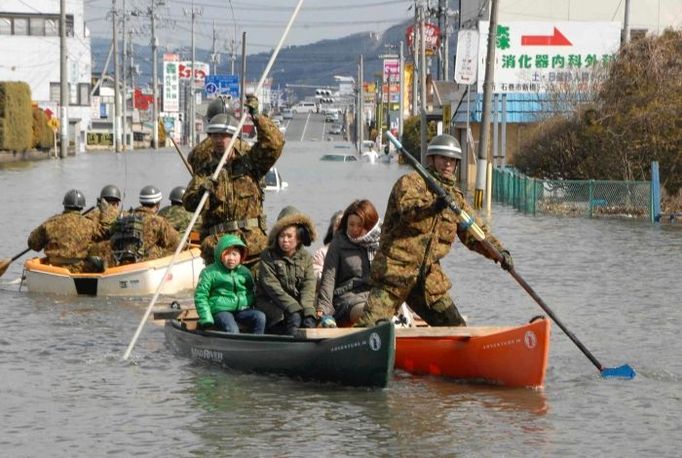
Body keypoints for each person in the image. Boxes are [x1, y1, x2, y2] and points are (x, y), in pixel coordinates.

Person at [355, 134, 514, 327]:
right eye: (443, 159)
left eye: (452, 160)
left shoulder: (457, 200)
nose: (448, 164)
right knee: (369, 326)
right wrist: (436, 205)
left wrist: (499, 253)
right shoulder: (411, 183)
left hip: (428, 278)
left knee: (456, 328)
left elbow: (475, 232)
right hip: (395, 272)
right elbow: (409, 211)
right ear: (431, 160)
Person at [183, 95, 285, 267]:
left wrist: (257, 117)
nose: (218, 140)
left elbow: (275, 144)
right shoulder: (206, 168)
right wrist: (203, 190)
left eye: (223, 136)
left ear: (234, 136)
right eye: (214, 136)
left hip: (251, 247)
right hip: (218, 248)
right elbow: (189, 202)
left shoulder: (250, 161)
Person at [316, 200, 381, 327]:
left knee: (391, 308)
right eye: (351, 224)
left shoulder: (381, 242)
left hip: (375, 295)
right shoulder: (338, 244)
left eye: (360, 225)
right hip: (347, 298)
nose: (355, 229)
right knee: (370, 312)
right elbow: (329, 278)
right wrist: (324, 311)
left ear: (370, 224)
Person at [254, 206, 318, 335]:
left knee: (309, 318)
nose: (285, 240)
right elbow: (271, 286)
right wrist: (292, 307)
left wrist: (306, 308)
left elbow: (309, 285)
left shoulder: (306, 257)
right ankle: (291, 345)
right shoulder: (268, 256)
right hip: (271, 303)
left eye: (289, 236)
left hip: (297, 303)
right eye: (282, 236)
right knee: (293, 317)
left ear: (299, 238)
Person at [27, 189, 115, 273]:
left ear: (65, 205)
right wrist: (105, 212)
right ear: (81, 208)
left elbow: (33, 244)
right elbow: (106, 232)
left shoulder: (50, 222)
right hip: (79, 268)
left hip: (53, 267)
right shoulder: (89, 224)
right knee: (100, 263)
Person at [194, 234, 265, 334]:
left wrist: (250, 303)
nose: (231, 258)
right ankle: (232, 348)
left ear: (241, 256)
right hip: (220, 311)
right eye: (227, 254)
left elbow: (252, 291)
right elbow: (201, 296)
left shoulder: (245, 272)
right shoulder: (209, 272)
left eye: (235, 254)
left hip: (242, 310)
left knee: (260, 317)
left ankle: (256, 345)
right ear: (220, 255)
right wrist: (206, 317)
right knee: (232, 329)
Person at [110, 185, 180, 265]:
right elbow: (177, 242)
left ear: (141, 202)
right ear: (157, 205)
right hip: (144, 263)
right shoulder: (158, 221)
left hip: (120, 259)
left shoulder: (126, 216)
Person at [312, 209, 343, 281]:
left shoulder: (357, 250)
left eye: (343, 227)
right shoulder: (322, 252)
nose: (340, 230)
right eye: (337, 226)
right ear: (332, 229)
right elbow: (316, 274)